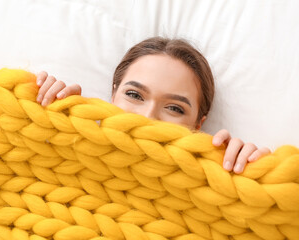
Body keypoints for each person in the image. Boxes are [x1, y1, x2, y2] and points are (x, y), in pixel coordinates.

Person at [35, 37, 270, 174]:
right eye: (134, 95)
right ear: (113, 95)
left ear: (198, 125)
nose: (147, 117)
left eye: (175, 108)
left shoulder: (213, 189)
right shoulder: (64, 153)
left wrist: (253, 174)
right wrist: (41, 116)